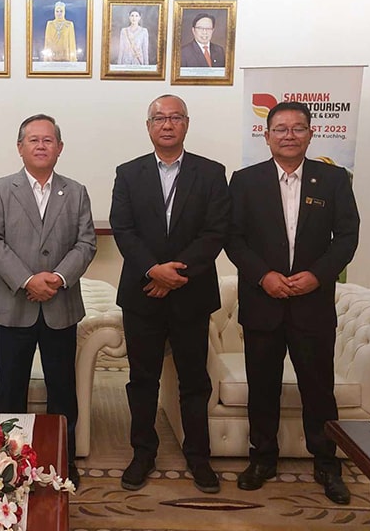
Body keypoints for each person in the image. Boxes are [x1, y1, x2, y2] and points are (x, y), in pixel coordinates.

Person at [226, 101, 360, 505]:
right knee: (262, 385)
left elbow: (348, 237)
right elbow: (233, 238)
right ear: (265, 136)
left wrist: (318, 275)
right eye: (280, 129)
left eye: (297, 128)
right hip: (262, 300)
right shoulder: (245, 181)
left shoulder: (334, 180)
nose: (288, 135)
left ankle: (326, 463)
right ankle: (262, 458)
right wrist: (263, 275)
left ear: (310, 134)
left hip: (312, 304)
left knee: (318, 388)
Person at [109, 94, 230, 494]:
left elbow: (215, 231)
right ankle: (143, 452)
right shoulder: (128, 173)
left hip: (191, 294)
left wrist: (175, 273)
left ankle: (199, 457)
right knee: (142, 379)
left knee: (194, 380)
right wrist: (153, 270)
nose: (167, 124)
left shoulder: (211, 173)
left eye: (175, 117)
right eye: (159, 118)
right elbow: (123, 229)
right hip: (142, 293)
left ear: (186, 124)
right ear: (148, 127)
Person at [0, 114, 96, 486]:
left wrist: (58, 278)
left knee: (62, 390)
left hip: (60, 307)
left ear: (60, 148)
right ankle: (5, 463)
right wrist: (28, 279)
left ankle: (62, 458)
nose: (42, 146)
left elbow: (86, 243)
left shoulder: (76, 191)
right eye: (34, 140)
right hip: (14, 307)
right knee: (10, 389)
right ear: (20, 147)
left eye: (49, 140)